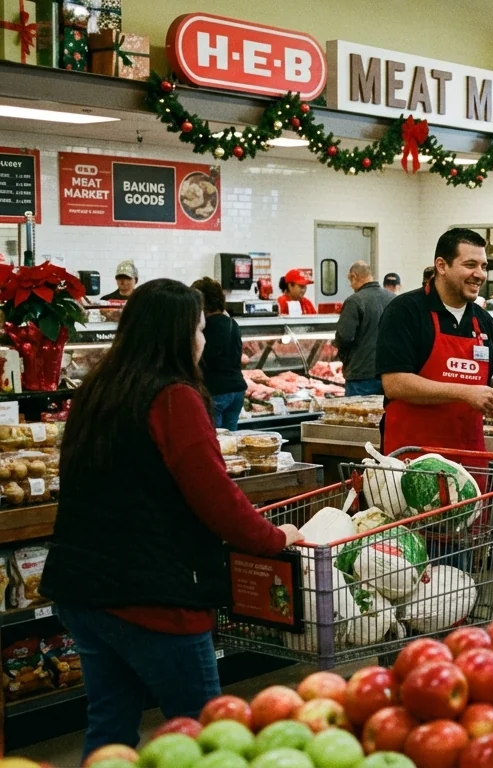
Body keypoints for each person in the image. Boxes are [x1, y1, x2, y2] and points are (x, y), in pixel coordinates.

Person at [39, 279, 302, 758]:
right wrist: (273, 537)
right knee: (208, 735)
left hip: (84, 587)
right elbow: (216, 498)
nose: (203, 339)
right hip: (152, 594)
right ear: (177, 334)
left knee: (109, 730)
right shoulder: (173, 397)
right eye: (199, 329)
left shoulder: (99, 390)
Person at [376, 228, 493, 459]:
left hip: (468, 456)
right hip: (414, 457)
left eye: (483, 266)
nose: (480, 274)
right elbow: (395, 383)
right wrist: (466, 393)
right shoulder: (405, 311)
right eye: (470, 265)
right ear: (442, 266)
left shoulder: (483, 321)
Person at [189, 278, 247, 430]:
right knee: (230, 439)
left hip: (215, 391)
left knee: (215, 438)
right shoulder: (232, 323)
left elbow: (201, 359)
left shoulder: (204, 327)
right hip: (237, 390)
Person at [334, 261, 394, 397]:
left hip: (361, 376)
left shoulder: (354, 301)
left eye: (350, 281)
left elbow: (344, 337)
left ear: (354, 277)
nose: (350, 285)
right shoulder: (393, 299)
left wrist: (343, 357)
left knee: (359, 410)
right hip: (389, 374)